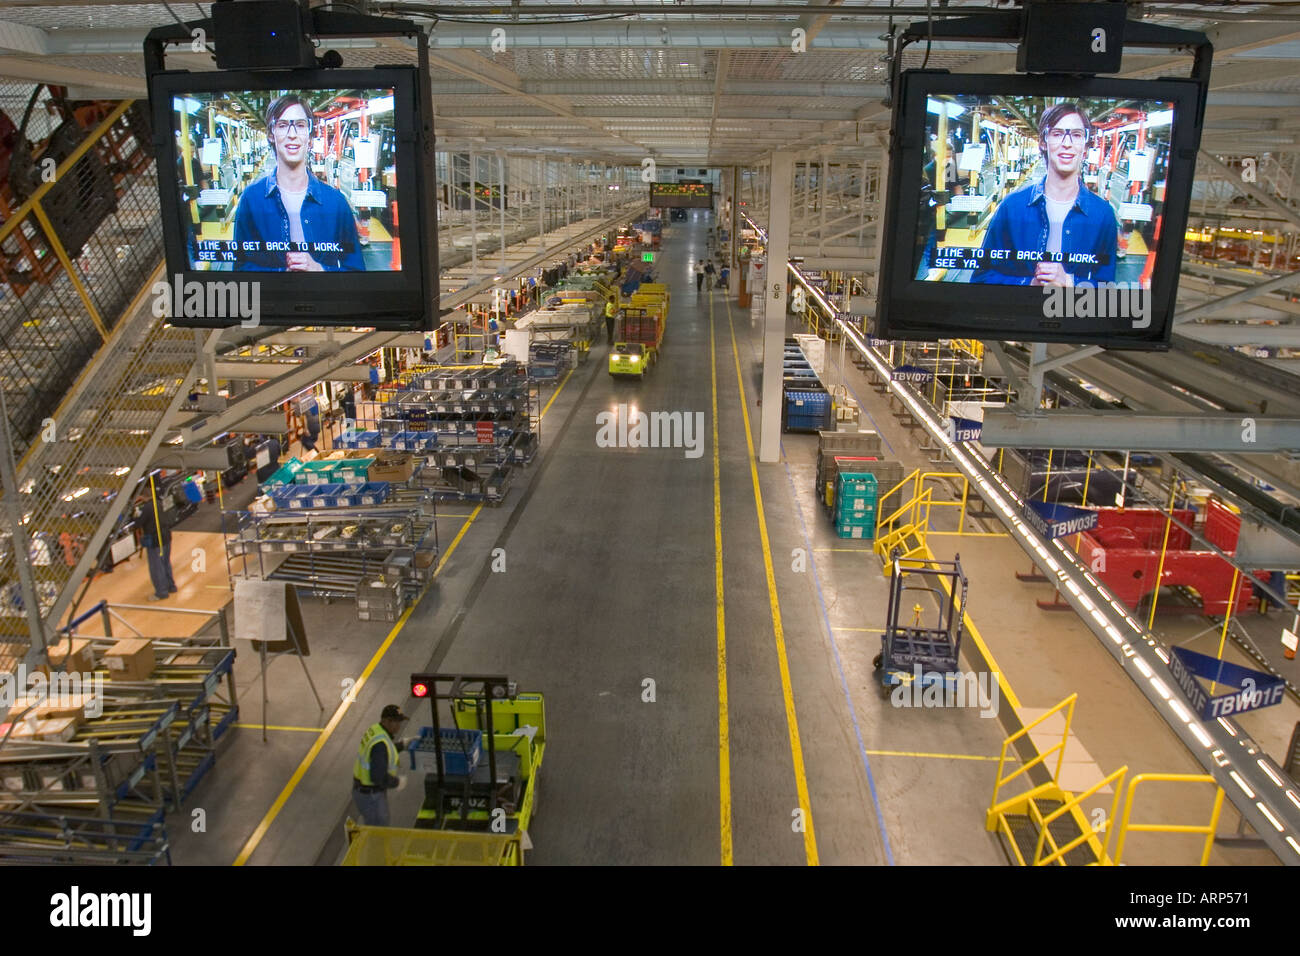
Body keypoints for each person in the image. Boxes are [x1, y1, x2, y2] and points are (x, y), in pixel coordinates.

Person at [971, 103, 1118, 287]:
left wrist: (1070, 282)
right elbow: (981, 279)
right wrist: (1029, 284)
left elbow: (1107, 289)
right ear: (1043, 142)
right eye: (1057, 134)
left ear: (1086, 146)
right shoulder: (1011, 207)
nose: (1067, 143)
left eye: (1077, 135)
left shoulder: (1103, 215)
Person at [233, 94, 365, 272]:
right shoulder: (251, 200)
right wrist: (281, 276)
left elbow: (356, 273)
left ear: (309, 137)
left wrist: (320, 270)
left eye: (301, 125)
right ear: (271, 134)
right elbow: (240, 269)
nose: (292, 135)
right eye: (282, 125)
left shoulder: (336, 202)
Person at [352, 704, 409, 827]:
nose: (399, 726)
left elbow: (383, 753)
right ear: (386, 721)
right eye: (396, 722)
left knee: (375, 828)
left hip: (363, 792)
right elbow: (378, 777)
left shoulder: (376, 730)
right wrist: (397, 782)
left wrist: (402, 745)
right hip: (371, 796)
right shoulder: (380, 744)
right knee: (379, 831)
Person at [135, 498, 177, 602]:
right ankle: (171, 587)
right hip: (166, 536)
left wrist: (135, 516)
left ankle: (161, 592)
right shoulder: (158, 502)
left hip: (155, 541)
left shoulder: (146, 508)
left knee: (156, 567)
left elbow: (137, 524)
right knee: (166, 563)